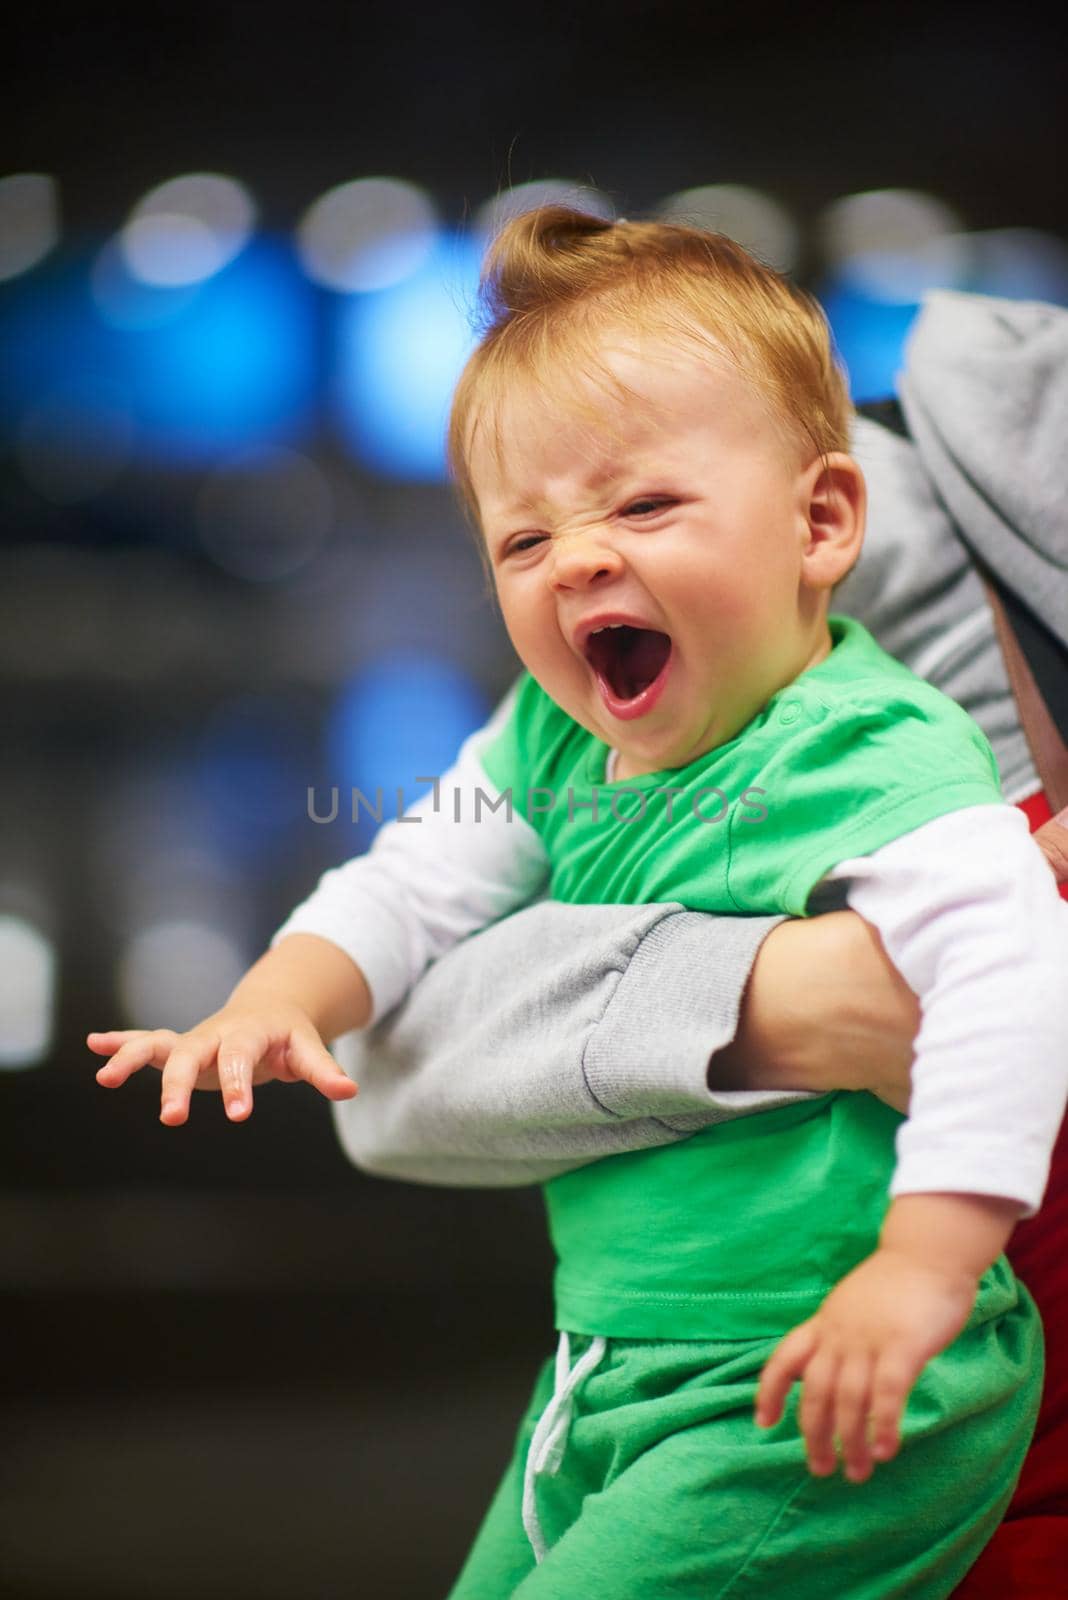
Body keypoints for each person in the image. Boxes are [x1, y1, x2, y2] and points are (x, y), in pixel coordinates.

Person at [88, 211, 1068, 1599]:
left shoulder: (879, 754)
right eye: (523, 537)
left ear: (825, 522)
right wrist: (278, 996)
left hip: (820, 1382)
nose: (578, 560)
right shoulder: (547, 740)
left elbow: (1010, 979)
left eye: (646, 506)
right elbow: (413, 885)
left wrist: (922, 1267)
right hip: (618, 1363)